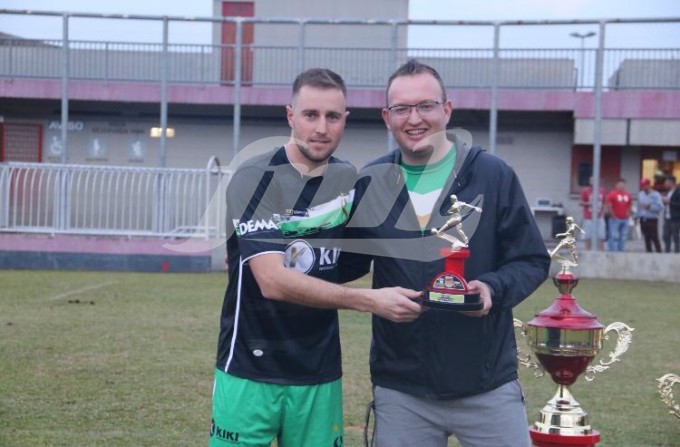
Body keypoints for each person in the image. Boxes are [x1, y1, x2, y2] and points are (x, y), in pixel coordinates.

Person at [342, 59, 550, 447]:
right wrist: (292, 239)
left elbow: (532, 260)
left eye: (425, 106)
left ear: (447, 110)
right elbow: (345, 263)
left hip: (487, 386)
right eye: (402, 109)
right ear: (387, 117)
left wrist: (491, 289)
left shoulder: (492, 174)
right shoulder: (370, 182)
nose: (414, 119)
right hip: (402, 390)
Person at [209, 68, 422, 447]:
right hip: (249, 368)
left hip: (319, 372)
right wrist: (371, 301)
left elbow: (359, 258)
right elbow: (272, 281)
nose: (321, 128)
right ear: (291, 115)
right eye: (311, 115)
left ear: (345, 120)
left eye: (333, 116)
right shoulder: (255, 177)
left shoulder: (349, 181)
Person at [605, 178, 633, 252]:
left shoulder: (628, 195)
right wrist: (613, 215)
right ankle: (612, 251)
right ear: (616, 185)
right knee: (613, 236)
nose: (621, 186)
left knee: (623, 236)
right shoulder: (612, 194)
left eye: (623, 184)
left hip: (625, 218)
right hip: (615, 219)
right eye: (619, 184)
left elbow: (630, 205)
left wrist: (628, 214)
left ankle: (621, 250)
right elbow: (609, 205)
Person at [636, 178, 663, 252]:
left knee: (654, 237)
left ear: (648, 185)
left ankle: (659, 252)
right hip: (643, 218)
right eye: (642, 186)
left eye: (644, 186)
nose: (643, 187)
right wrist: (637, 217)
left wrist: (649, 207)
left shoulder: (656, 195)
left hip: (652, 219)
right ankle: (649, 252)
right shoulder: (640, 194)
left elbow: (660, 207)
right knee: (646, 237)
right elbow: (638, 206)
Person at [579, 175, 606, 250]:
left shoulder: (602, 191)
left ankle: (601, 253)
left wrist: (603, 213)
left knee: (601, 236)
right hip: (588, 217)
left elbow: (604, 202)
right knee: (587, 236)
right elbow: (581, 202)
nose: (593, 182)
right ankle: (588, 252)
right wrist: (588, 203)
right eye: (592, 180)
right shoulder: (586, 191)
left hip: (599, 216)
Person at [662, 175, 680, 253]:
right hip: (667, 217)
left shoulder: (678, 191)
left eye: (666, 182)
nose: (665, 184)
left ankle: (677, 252)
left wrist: (670, 202)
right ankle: (667, 251)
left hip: (675, 218)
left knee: (675, 235)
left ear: (671, 182)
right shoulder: (668, 192)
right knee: (666, 235)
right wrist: (664, 202)